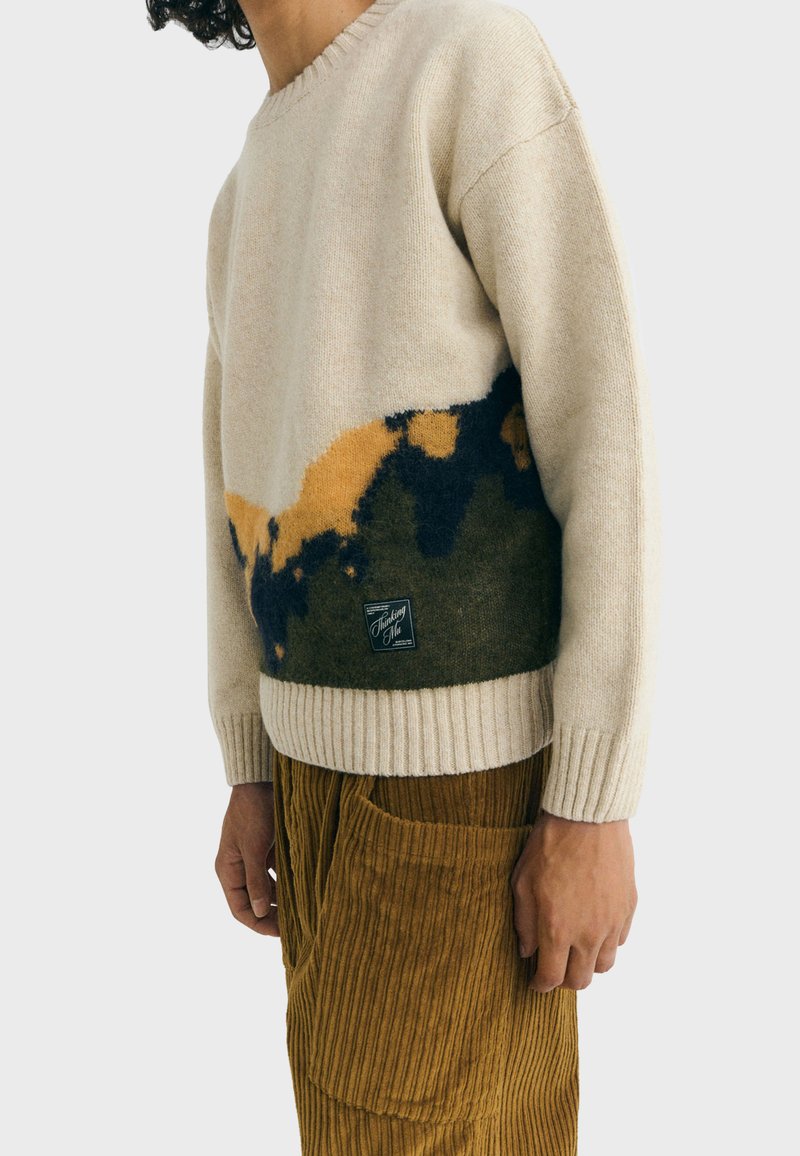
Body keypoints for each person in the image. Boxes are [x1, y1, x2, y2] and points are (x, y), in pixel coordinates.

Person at [147, 1, 661, 1151]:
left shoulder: (464, 59)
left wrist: (591, 796)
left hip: (455, 790)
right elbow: (231, 491)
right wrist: (249, 762)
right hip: (308, 786)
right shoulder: (245, 185)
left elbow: (605, 427)